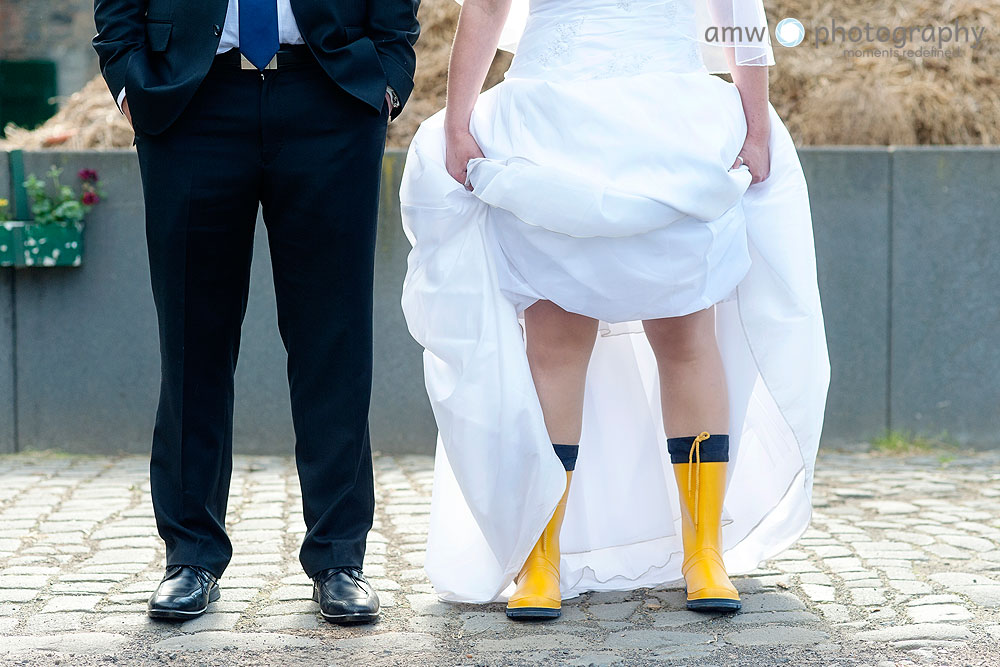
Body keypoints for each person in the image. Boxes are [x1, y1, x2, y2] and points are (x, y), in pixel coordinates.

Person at [400, 0, 830, 620]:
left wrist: (756, 125)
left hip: (672, 119)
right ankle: (539, 556)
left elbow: (736, 8)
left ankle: (704, 550)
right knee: (554, 340)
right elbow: (490, 3)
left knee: (686, 334)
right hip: (553, 119)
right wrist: (458, 122)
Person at [92, 0, 419, 624]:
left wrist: (390, 75)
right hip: (191, 102)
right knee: (192, 338)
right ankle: (190, 556)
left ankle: (338, 558)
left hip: (331, 96)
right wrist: (129, 80)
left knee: (334, 341)